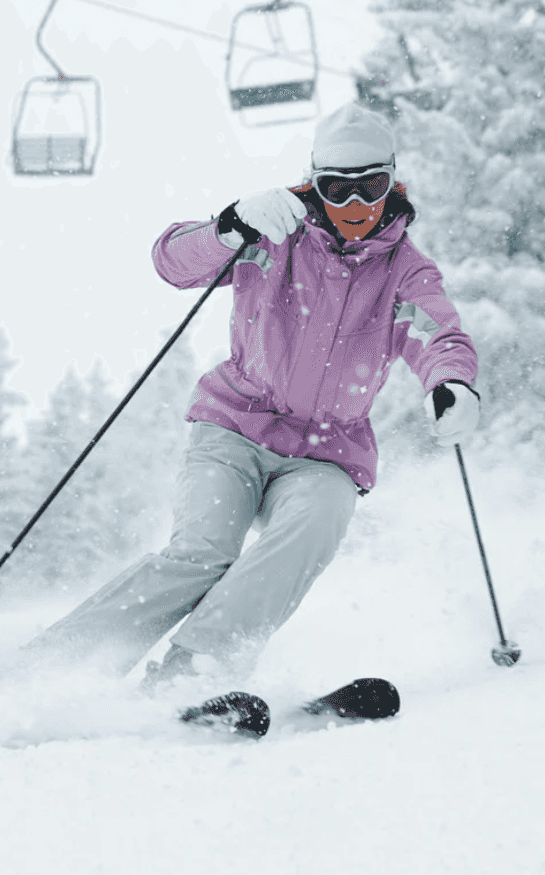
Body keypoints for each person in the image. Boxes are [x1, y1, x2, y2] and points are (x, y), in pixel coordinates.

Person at [29, 104, 480, 688]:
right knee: (202, 553)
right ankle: (57, 666)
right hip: (235, 427)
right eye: (337, 190)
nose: (355, 207)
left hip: (327, 452)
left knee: (313, 528)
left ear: (392, 182)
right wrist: (228, 225)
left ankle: (194, 672)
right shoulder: (275, 232)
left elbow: (437, 332)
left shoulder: (405, 272)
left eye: (370, 187)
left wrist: (451, 383)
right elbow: (173, 264)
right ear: (314, 184)